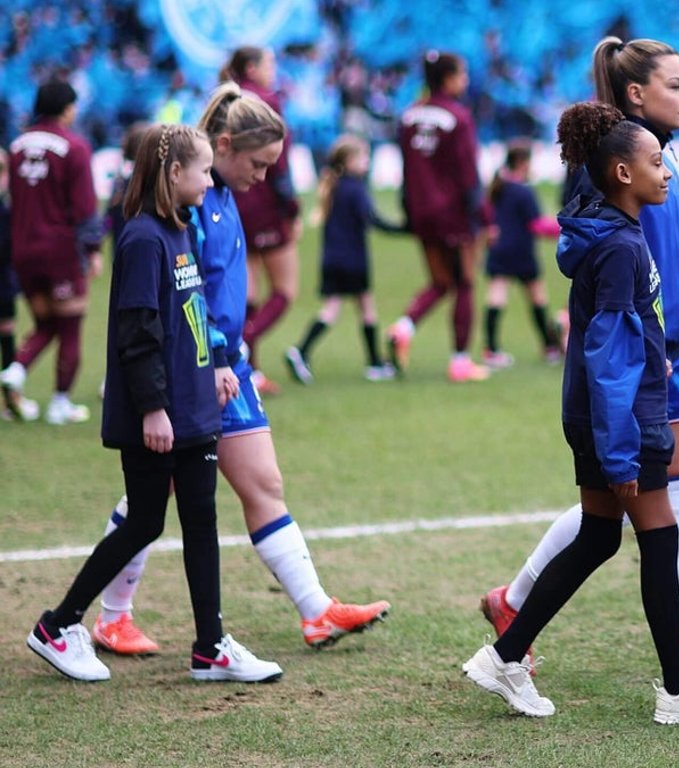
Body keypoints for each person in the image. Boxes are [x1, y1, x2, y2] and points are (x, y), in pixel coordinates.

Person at [461, 102, 679, 725]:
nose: (666, 171)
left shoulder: (609, 232)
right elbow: (610, 354)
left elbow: (618, 337)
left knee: (598, 535)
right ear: (622, 173)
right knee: (660, 537)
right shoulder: (619, 245)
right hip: (619, 419)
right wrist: (622, 447)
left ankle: (505, 656)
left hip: (603, 413)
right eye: (656, 162)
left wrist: (657, 361)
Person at [89, 83, 391, 658]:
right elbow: (186, 291)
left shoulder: (223, 194)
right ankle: (110, 616)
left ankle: (316, 611)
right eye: (258, 163)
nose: (264, 176)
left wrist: (233, 357)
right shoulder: (195, 200)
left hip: (229, 363)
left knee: (263, 484)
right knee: (155, 492)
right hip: (202, 366)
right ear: (224, 146)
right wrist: (212, 361)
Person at [27, 123, 281, 684]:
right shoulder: (142, 239)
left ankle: (211, 647)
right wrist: (152, 408)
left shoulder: (178, 230)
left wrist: (214, 368)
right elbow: (137, 332)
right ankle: (57, 625)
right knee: (143, 521)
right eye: (203, 169)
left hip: (195, 407)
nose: (210, 177)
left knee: (202, 523)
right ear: (173, 173)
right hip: (161, 412)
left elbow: (188, 315)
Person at [0, 80, 103, 425]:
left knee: (47, 322)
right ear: (67, 108)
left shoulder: (16, 146)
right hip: (60, 251)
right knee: (70, 325)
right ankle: (60, 403)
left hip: (24, 250)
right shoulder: (74, 147)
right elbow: (86, 207)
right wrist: (93, 250)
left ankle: (16, 368)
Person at [388, 51, 489, 383]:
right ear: (448, 78)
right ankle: (460, 361)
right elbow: (467, 174)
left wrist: (408, 210)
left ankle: (404, 327)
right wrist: (484, 216)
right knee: (465, 283)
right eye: (462, 74)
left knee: (441, 282)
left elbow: (405, 169)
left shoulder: (409, 115)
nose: (466, 80)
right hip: (454, 214)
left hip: (420, 212)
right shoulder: (458, 117)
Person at [284, 135, 405, 384]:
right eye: (363, 158)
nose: (367, 163)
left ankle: (302, 351)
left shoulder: (334, 186)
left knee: (332, 309)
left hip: (331, 258)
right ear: (349, 161)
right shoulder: (356, 188)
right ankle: (373, 363)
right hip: (353, 259)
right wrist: (404, 229)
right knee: (366, 308)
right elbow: (372, 219)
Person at [224, 46, 300, 396]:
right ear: (252, 67)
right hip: (264, 204)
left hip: (231, 204)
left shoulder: (224, 97)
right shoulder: (266, 101)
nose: (274, 69)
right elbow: (279, 162)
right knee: (284, 290)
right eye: (270, 63)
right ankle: (240, 349)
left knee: (248, 291)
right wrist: (292, 208)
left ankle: (250, 371)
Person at [480, 142, 563, 369]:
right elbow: (536, 225)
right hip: (521, 250)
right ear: (522, 163)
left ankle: (491, 348)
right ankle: (549, 347)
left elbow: (485, 214)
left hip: (499, 248)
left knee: (496, 296)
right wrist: (564, 229)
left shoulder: (497, 186)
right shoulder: (524, 191)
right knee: (537, 297)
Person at [0, 149, 39, 421]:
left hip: (4, 281)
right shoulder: (6, 210)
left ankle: (11, 399)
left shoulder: (10, 208)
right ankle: (11, 399)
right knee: (6, 333)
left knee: (7, 334)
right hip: (3, 280)